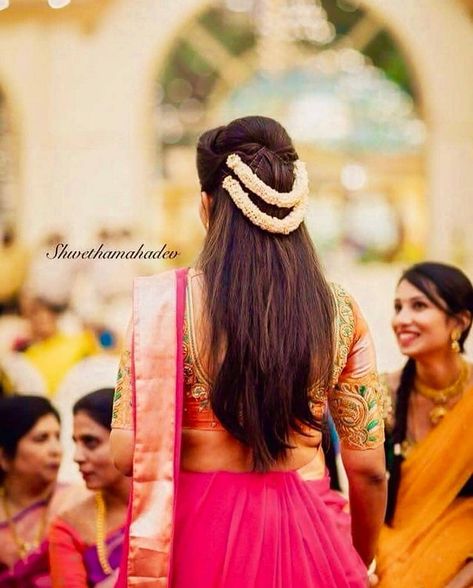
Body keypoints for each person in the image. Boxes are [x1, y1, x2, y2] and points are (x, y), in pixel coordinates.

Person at [110, 116, 387, 587]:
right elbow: (369, 470)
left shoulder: (163, 307)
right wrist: (357, 558)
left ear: (205, 206)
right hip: (309, 540)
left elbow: (124, 452)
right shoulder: (338, 310)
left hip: (194, 541)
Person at [377, 262, 473, 588]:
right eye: (398, 307)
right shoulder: (383, 395)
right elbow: (369, 490)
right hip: (394, 549)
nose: (401, 319)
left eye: (419, 306)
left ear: (459, 322)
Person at [49, 388, 130, 587]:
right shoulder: (68, 527)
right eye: (75, 443)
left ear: (127, 441)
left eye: (90, 442)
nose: (77, 457)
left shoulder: (172, 506)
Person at [0, 395, 75, 587]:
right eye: (41, 439)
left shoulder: (76, 503)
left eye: (57, 437)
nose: (56, 449)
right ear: (4, 456)